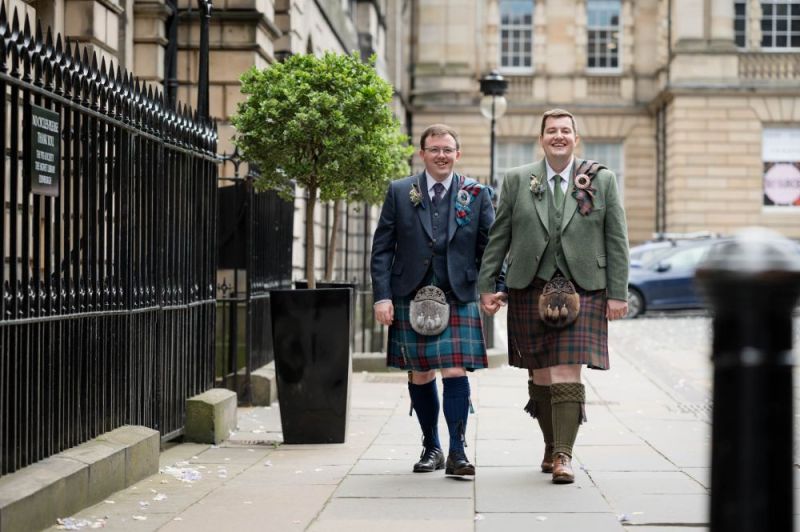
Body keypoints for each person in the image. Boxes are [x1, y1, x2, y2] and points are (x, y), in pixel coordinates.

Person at [478, 108, 629, 484]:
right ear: (541, 138)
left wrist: (618, 292)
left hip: (585, 286)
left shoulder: (601, 180)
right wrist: (487, 286)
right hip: (530, 284)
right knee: (541, 373)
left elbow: (616, 238)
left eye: (565, 131)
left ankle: (564, 454)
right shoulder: (517, 180)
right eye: (551, 131)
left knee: (567, 369)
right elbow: (499, 236)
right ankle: (550, 445)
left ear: (576, 138)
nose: (558, 136)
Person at [371, 124, 496, 478]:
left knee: (455, 368)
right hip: (410, 292)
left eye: (448, 149)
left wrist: (492, 286)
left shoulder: (475, 193)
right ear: (422, 153)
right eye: (435, 149)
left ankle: (457, 450)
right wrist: (382, 296)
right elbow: (382, 249)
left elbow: (490, 247)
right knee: (421, 372)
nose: (441, 155)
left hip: (458, 292)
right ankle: (432, 446)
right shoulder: (399, 192)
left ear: (458, 154)